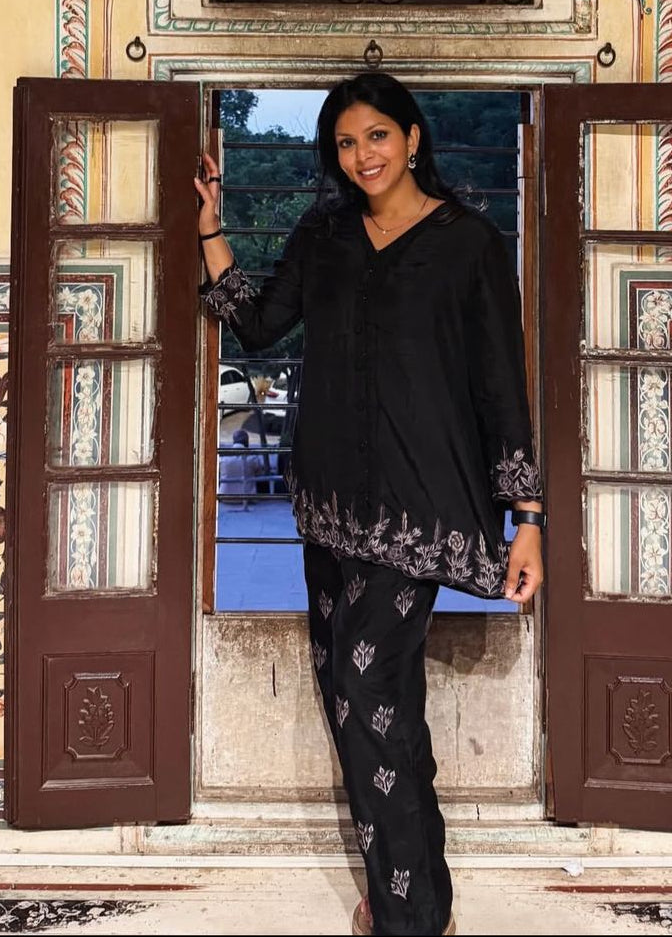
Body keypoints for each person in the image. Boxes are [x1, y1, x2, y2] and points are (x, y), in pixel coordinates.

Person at [195, 73, 544, 937]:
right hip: (331, 501)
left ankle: (408, 917)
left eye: (378, 136)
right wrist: (209, 223)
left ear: (413, 137)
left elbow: (501, 381)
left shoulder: (468, 243)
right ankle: (417, 889)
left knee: (362, 679)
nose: (364, 157)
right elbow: (262, 323)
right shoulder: (324, 231)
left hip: (422, 500)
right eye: (347, 144)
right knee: (363, 696)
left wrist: (527, 518)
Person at [218, 427, 264, 511]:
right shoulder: (253, 458)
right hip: (248, 498)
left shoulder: (223, 459)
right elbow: (260, 474)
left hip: (225, 497)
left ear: (234, 441)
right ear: (247, 442)